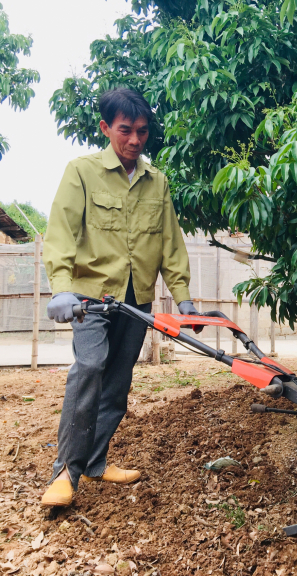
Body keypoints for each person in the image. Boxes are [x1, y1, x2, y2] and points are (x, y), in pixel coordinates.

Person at [41, 88, 202, 507]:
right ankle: (65, 472)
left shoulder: (157, 182)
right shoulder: (81, 171)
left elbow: (170, 242)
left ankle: (95, 461)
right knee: (90, 366)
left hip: (137, 299)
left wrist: (183, 297)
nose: (135, 140)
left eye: (142, 132)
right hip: (90, 296)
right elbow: (61, 232)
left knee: (117, 381)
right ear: (106, 127)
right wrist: (60, 287)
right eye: (125, 130)